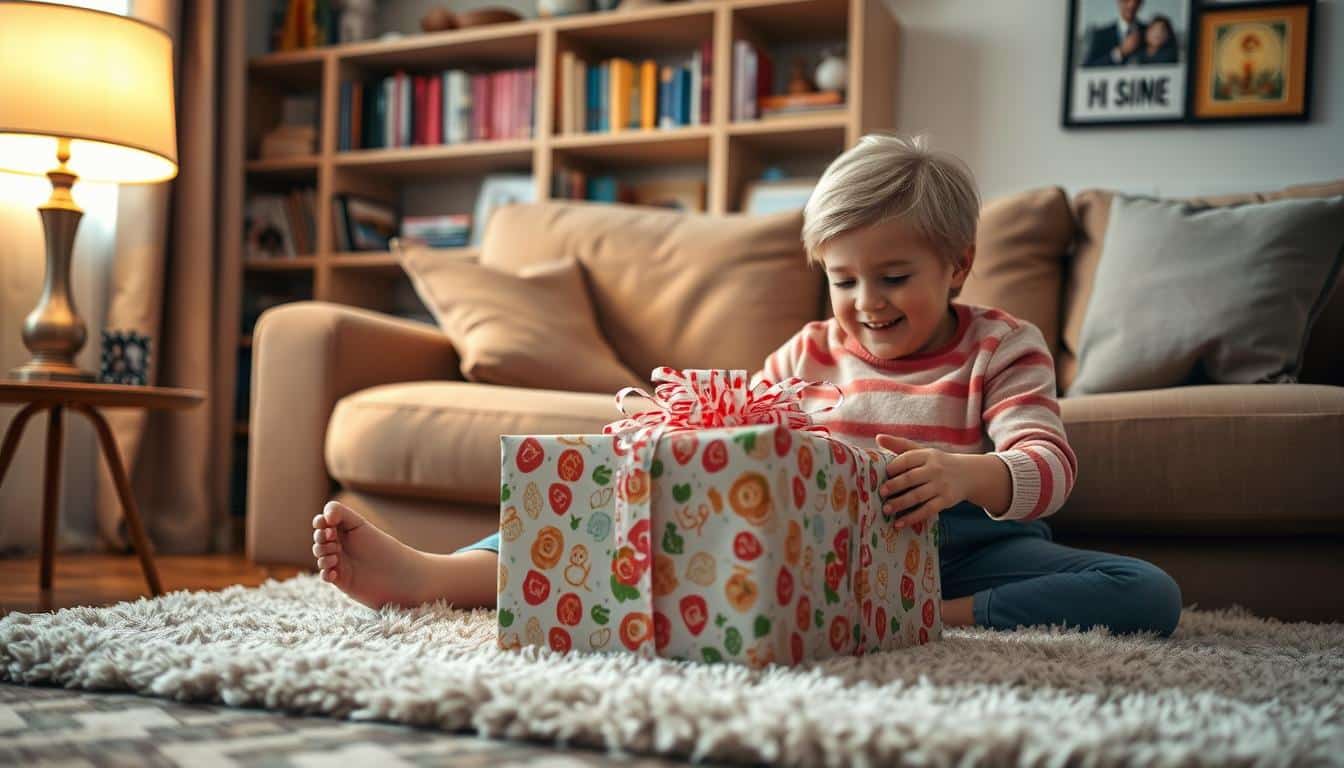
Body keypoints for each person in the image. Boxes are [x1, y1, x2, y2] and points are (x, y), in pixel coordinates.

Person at [311, 133, 1184, 638]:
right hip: (833, 544)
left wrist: (972, 475)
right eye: (844, 279)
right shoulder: (809, 349)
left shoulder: (1004, 344)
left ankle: (933, 616)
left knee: (1146, 593)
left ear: (957, 266)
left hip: (972, 540)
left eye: (893, 277)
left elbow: (1047, 459)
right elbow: (741, 431)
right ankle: (434, 574)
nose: (866, 305)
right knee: (608, 519)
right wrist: (675, 432)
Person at [1083, 0, 1146, 68]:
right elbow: (1088, 67)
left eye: (1136, 1)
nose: (1131, 5)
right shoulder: (1101, 35)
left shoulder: (1148, 33)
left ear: (1141, 3)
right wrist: (1120, 52)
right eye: (1126, 0)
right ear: (1118, 1)